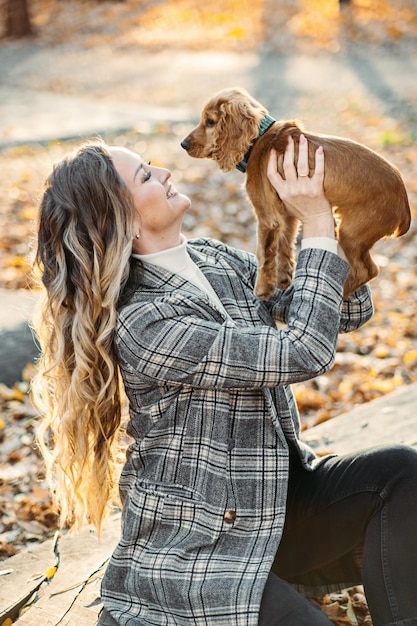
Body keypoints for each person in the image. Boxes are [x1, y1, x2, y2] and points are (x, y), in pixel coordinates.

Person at [31, 133, 417, 626]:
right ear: (122, 222)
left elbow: (344, 312)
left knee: (402, 472)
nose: (165, 172)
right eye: (146, 176)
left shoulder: (214, 260)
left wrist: (340, 219)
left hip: (276, 506)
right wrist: (317, 222)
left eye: (152, 165)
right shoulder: (144, 321)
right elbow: (304, 350)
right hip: (201, 545)